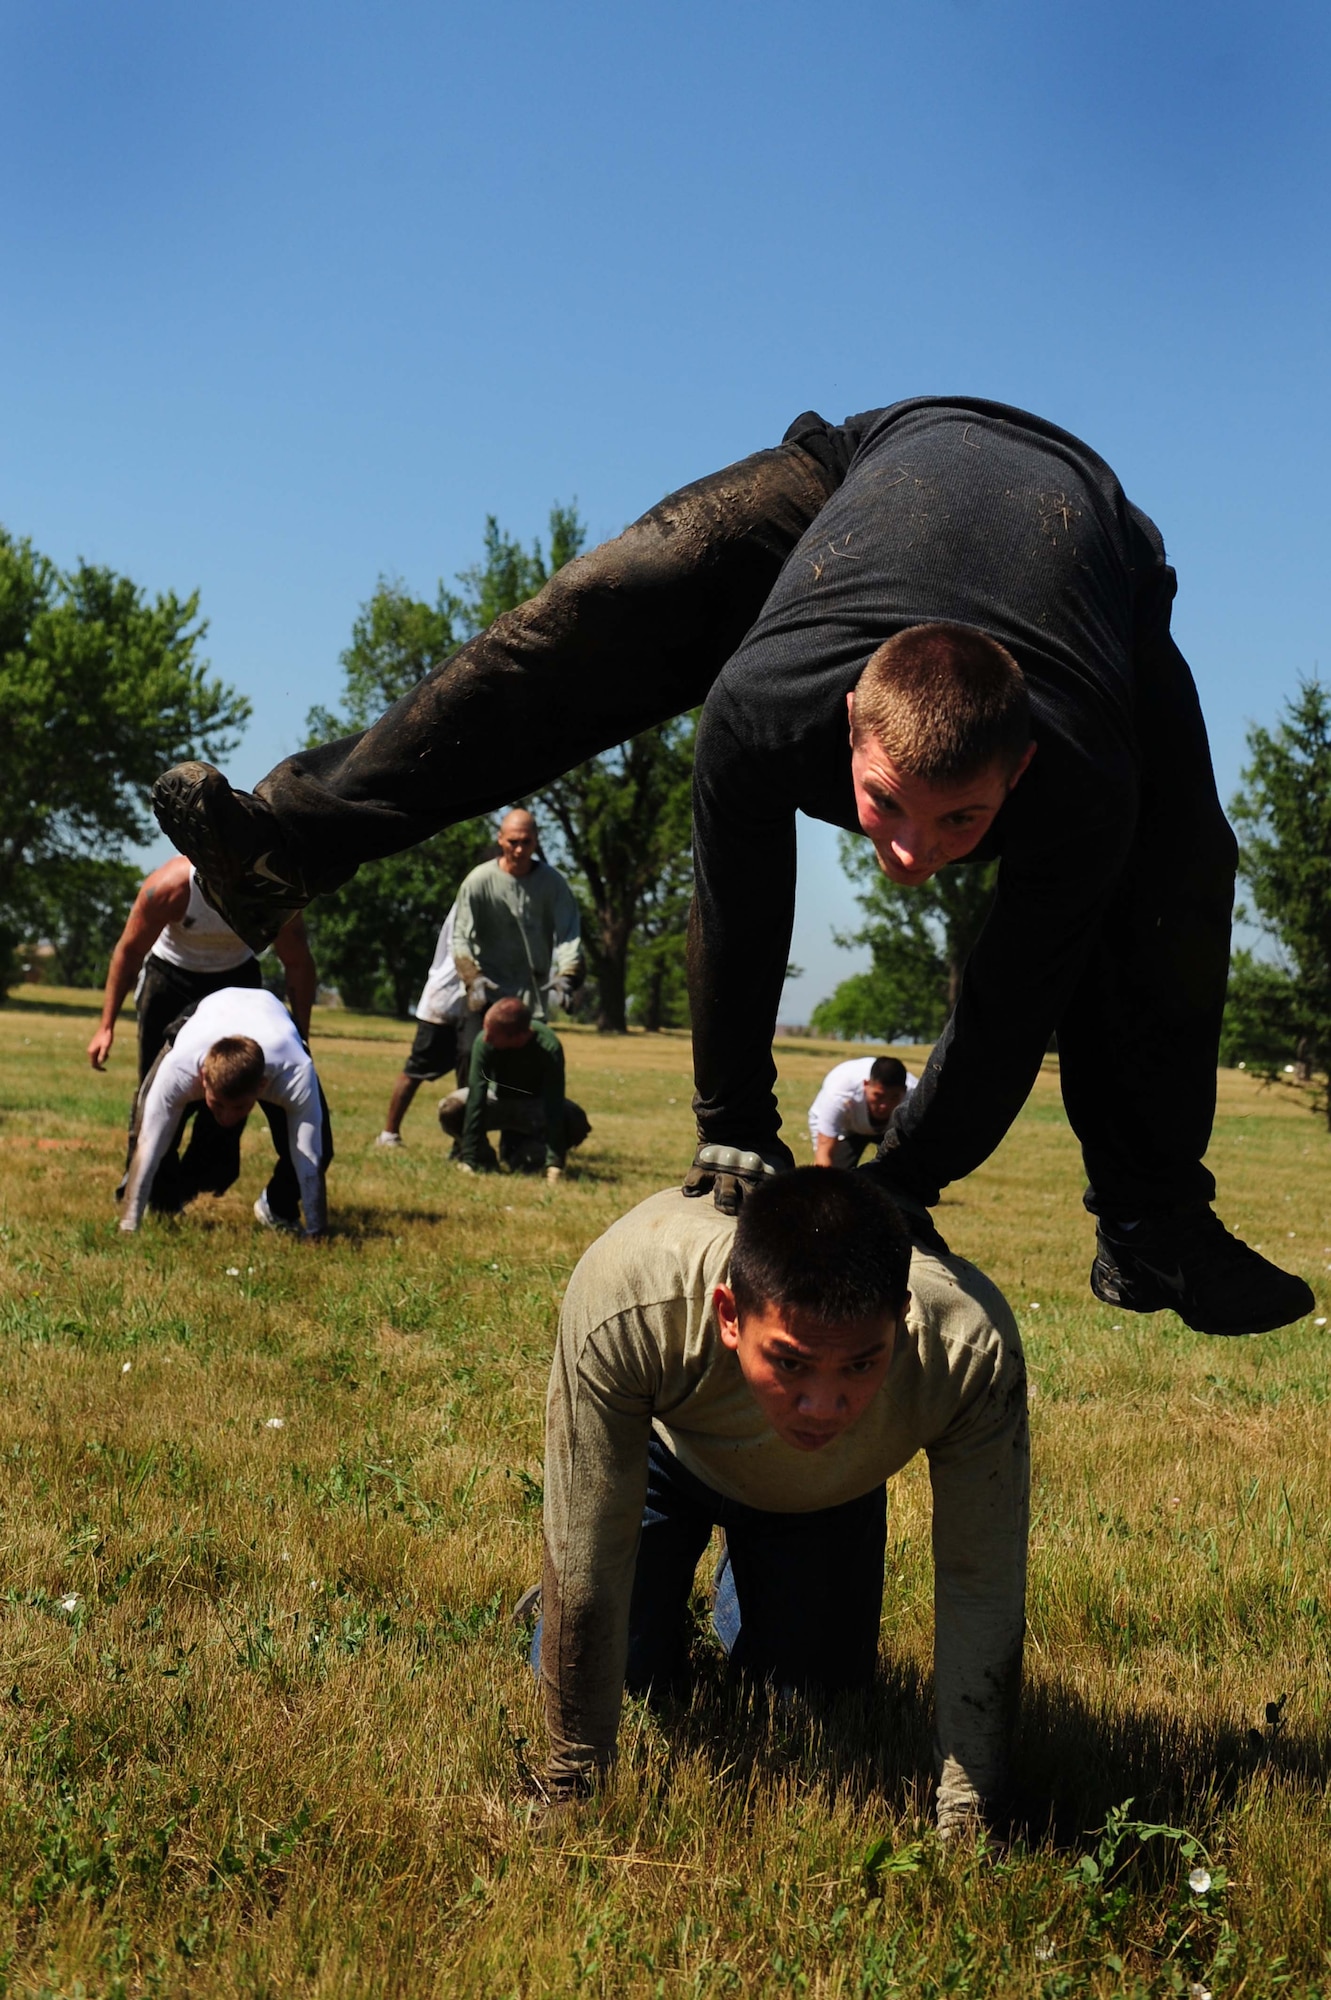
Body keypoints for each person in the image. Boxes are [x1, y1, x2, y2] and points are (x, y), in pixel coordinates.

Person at [151, 395, 1311, 1336]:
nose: (907, 857)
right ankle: (294, 841)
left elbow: (1013, 992)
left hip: (1096, 559)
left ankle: (1152, 1218)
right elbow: (737, 893)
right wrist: (732, 1119)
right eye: (886, 806)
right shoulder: (766, 706)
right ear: (848, 718)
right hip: (874, 466)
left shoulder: (1079, 773)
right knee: (597, 605)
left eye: (958, 824)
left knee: (1177, 877)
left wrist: (903, 1178)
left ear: (1018, 772)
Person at [531, 1167, 1027, 1835]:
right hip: (663, 1460)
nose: (822, 1407)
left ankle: (754, 1574)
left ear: (901, 1315)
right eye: (790, 1363)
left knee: (808, 1701)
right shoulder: (632, 1291)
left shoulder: (967, 1347)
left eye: (859, 1365)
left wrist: (970, 1813)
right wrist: (572, 1782)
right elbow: (583, 1546)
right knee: (622, 1674)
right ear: (728, 1316)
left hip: (826, 1493)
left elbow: (981, 1583)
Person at [88, 853, 316, 1198]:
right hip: (171, 978)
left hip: (236, 980)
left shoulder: (272, 892)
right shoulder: (169, 887)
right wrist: (106, 1026)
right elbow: (129, 951)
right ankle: (146, 1181)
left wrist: (301, 1032)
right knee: (158, 1083)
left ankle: (194, 1180)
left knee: (233, 1080)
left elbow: (298, 963)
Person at [119, 986, 332, 1238]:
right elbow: (148, 1145)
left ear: (263, 1086)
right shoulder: (180, 1069)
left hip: (275, 1019)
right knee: (148, 1126)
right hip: (205, 1011)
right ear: (203, 1080)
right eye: (217, 1104)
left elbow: (308, 1156)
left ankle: (278, 1208)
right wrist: (128, 1227)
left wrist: (317, 1232)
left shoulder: (294, 1073)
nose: (228, 1118)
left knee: (322, 1147)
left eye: (240, 1107)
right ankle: (158, 1204)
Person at [451, 808, 583, 1023]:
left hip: (532, 999)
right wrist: (472, 978)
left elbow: (569, 934)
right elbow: (459, 937)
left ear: (536, 841)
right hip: (486, 994)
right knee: (472, 1053)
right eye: (513, 842)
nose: (520, 850)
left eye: (526, 842)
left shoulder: (553, 884)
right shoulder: (478, 881)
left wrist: (567, 975)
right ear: (500, 839)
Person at [444, 996, 588, 1180]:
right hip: (497, 1101)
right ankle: (483, 1157)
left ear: (519, 1037)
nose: (486, 1038)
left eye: (493, 1035)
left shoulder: (548, 1046)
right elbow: (476, 1098)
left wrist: (555, 1163)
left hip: (533, 1107)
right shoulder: (484, 1041)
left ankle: (528, 1153)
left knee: (575, 1120)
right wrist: (470, 1159)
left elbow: (554, 1104)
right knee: (450, 1109)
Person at [376, 902, 469, 1147]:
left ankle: (466, 1142)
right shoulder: (474, 897)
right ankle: (389, 1134)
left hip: (470, 1004)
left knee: (469, 1071)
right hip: (445, 1002)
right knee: (417, 1068)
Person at [808, 1055, 917, 1169]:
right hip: (846, 1127)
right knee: (834, 1172)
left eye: (893, 1097)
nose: (884, 1105)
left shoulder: (915, 1096)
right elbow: (824, 1152)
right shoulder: (840, 1094)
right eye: (878, 1095)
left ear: (905, 1090)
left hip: (892, 1128)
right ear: (866, 1085)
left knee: (907, 1167)